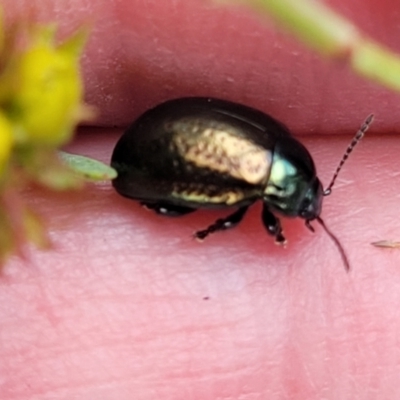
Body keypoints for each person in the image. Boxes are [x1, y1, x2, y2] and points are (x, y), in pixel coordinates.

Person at [2, 0, 400, 398]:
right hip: (149, 152)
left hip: (163, 135)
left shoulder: (280, 143)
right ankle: (194, 224)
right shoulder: (255, 180)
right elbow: (229, 214)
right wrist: (215, 229)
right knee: (191, 210)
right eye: (301, 205)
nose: (308, 209)